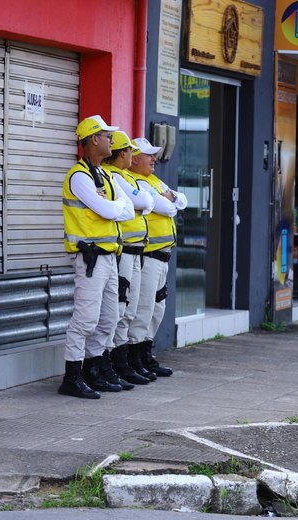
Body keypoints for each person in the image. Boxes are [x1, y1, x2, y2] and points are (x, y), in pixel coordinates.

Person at [59, 115, 135, 399]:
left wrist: (112, 206)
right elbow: (110, 211)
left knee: (109, 317)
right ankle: (72, 376)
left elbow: (125, 211)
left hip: (108, 257)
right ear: (93, 139)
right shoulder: (79, 176)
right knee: (85, 319)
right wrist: (113, 207)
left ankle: (94, 370)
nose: (111, 140)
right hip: (89, 258)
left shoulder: (104, 175)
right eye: (106, 136)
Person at [125, 137, 187, 379]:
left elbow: (181, 200)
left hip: (162, 256)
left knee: (157, 308)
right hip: (148, 255)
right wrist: (169, 199)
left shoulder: (153, 181)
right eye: (149, 155)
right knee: (143, 307)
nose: (154, 159)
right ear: (134, 158)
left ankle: (145, 353)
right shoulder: (137, 182)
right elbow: (169, 207)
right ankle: (134, 356)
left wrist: (170, 199)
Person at [101, 131, 155, 387]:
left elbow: (145, 202)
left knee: (129, 308)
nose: (133, 156)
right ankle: (115, 362)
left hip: (134, 252)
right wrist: (138, 203)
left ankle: (121, 361)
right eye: (130, 152)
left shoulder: (123, 177)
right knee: (120, 309)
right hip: (123, 252)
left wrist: (139, 202)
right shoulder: (113, 176)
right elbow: (142, 202)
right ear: (123, 154)